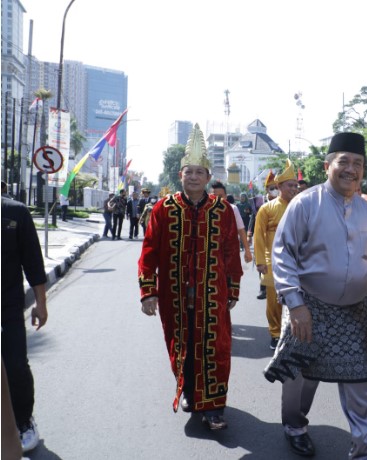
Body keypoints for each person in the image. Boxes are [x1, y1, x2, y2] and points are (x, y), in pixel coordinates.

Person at [263, 132, 367, 459]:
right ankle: (295, 426)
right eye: (344, 162)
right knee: (302, 376)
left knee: (362, 380)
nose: (351, 169)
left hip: (353, 309)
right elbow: (283, 253)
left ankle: (366, 451)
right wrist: (295, 304)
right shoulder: (305, 203)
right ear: (327, 165)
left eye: (358, 164)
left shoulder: (364, 209)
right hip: (308, 305)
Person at [137, 123, 243, 429]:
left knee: (216, 346)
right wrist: (149, 291)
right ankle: (187, 388)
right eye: (189, 171)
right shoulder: (162, 209)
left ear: (209, 178)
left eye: (200, 172)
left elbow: (230, 253)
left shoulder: (222, 210)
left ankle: (214, 405)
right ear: (180, 175)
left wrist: (232, 288)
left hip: (213, 294)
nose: (194, 176)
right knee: (182, 344)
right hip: (175, 294)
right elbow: (149, 252)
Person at [2, 195, 48, 452]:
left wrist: (41, 303)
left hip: (7, 308)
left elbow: (32, 260)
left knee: (15, 366)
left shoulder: (15, 212)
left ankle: (23, 421)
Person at [253, 160, 299, 350]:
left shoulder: (300, 206)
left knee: (297, 299)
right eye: (290, 185)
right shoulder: (267, 208)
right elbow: (258, 236)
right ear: (279, 186)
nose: (294, 189)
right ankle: (275, 333)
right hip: (273, 262)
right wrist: (261, 261)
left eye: (296, 185)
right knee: (274, 301)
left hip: (297, 262)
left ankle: (293, 332)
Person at [248, 172, 277, 301]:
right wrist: (249, 233)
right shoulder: (259, 202)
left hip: (277, 238)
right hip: (262, 237)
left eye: (276, 187)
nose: (275, 190)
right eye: (272, 188)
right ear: (266, 189)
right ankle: (263, 288)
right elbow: (253, 218)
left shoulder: (283, 201)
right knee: (262, 262)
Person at [210, 181, 253, 264]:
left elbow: (241, 230)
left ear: (225, 196)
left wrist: (247, 250)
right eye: (214, 196)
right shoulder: (203, 211)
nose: (217, 199)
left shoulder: (233, 209)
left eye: (220, 196)